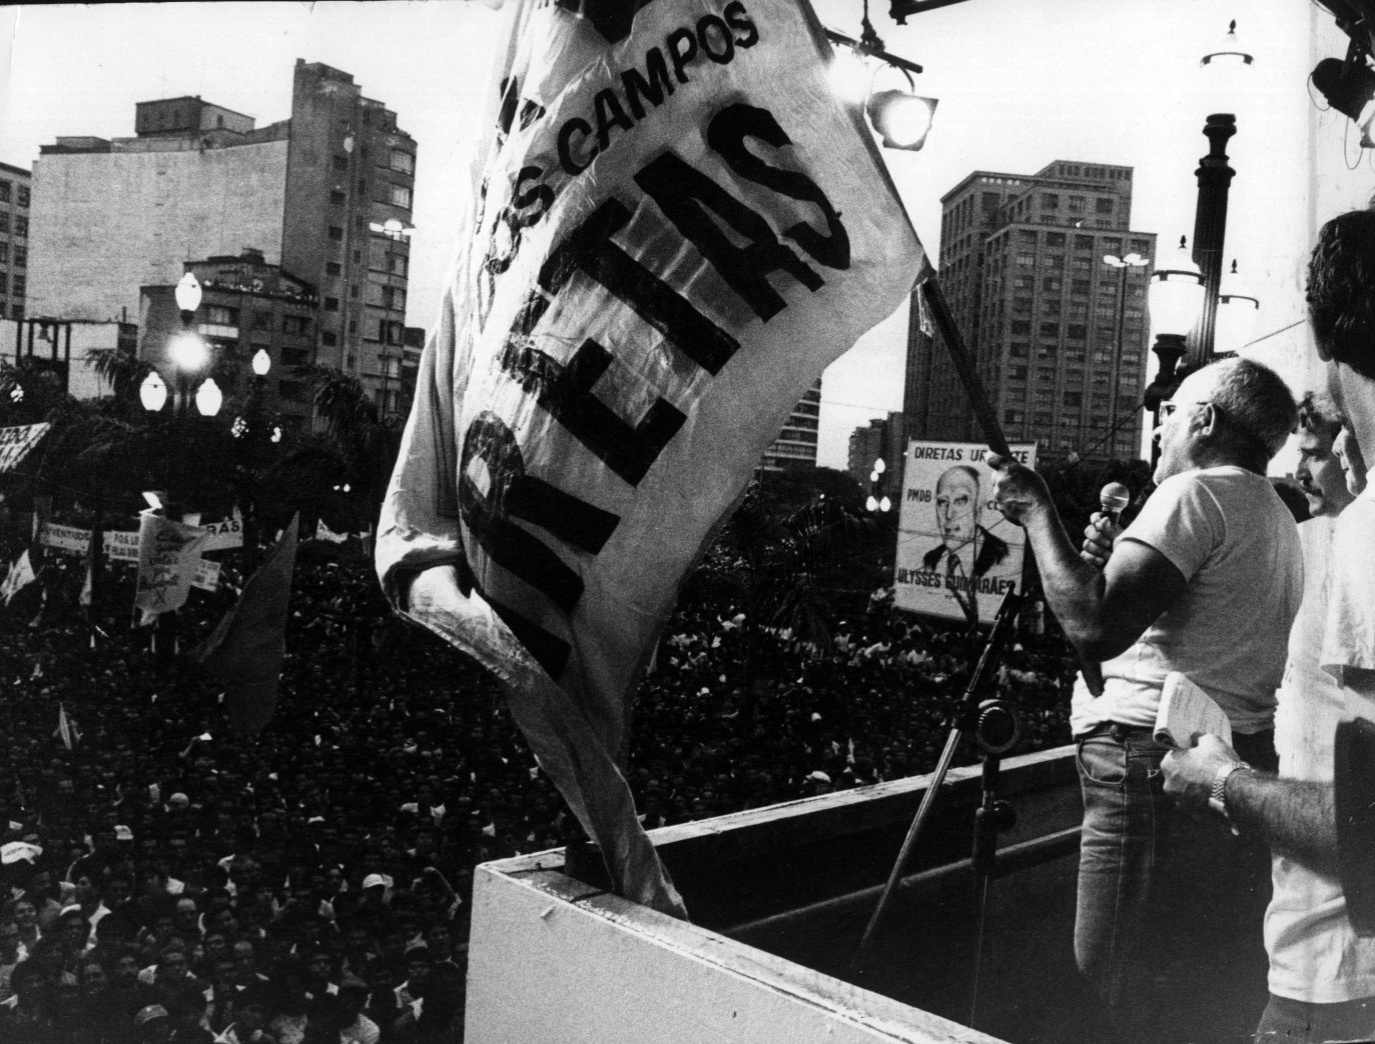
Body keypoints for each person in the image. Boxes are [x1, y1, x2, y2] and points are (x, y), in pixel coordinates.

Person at [990, 355, 1302, 1040]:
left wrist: (1038, 510)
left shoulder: (1196, 495)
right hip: (1213, 758)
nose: (1159, 430)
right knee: (1161, 972)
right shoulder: (1272, 513)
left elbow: (1091, 625)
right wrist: (1096, 566)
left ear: (1204, 419)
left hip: (1143, 764)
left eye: (1169, 415)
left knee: (1102, 983)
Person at [1163, 207, 1375, 1043]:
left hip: (1336, 992)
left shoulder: (1365, 535)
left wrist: (1218, 779)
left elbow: (1369, 827)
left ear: (1327, 334)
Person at [921, 465, 1008, 579]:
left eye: (961, 500)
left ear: (978, 510)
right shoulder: (931, 559)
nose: (949, 515)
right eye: (942, 502)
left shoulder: (1001, 555)